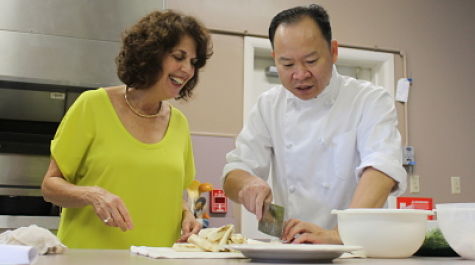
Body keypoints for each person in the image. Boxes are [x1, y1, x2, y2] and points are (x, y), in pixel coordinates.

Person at [223, 4, 407, 244]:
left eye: (311, 61)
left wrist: (340, 235)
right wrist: (248, 184)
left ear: (333, 51)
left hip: (356, 247)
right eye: (287, 64)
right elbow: (234, 170)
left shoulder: (369, 99)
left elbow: (382, 169)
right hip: (293, 247)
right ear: (275, 59)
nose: (299, 75)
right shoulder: (269, 105)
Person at [41, 10, 213, 249]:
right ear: (151, 54)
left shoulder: (179, 123)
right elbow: (50, 187)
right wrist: (94, 195)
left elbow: (172, 196)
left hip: (158, 257)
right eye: (178, 57)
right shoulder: (92, 105)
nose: (187, 69)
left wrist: (187, 214)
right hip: (88, 257)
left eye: (193, 62)